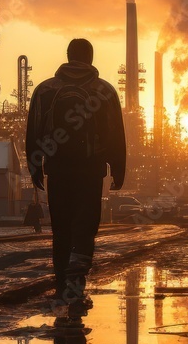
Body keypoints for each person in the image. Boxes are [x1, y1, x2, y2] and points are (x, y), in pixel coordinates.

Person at [25, 38, 126, 315]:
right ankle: (76, 286)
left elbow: (33, 130)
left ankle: (60, 286)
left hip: (57, 169)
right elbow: (115, 132)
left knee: (62, 230)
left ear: (68, 56)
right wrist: (118, 168)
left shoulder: (45, 89)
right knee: (85, 229)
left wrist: (35, 166)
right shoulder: (104, 90)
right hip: (91, 170)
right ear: (91, 58)